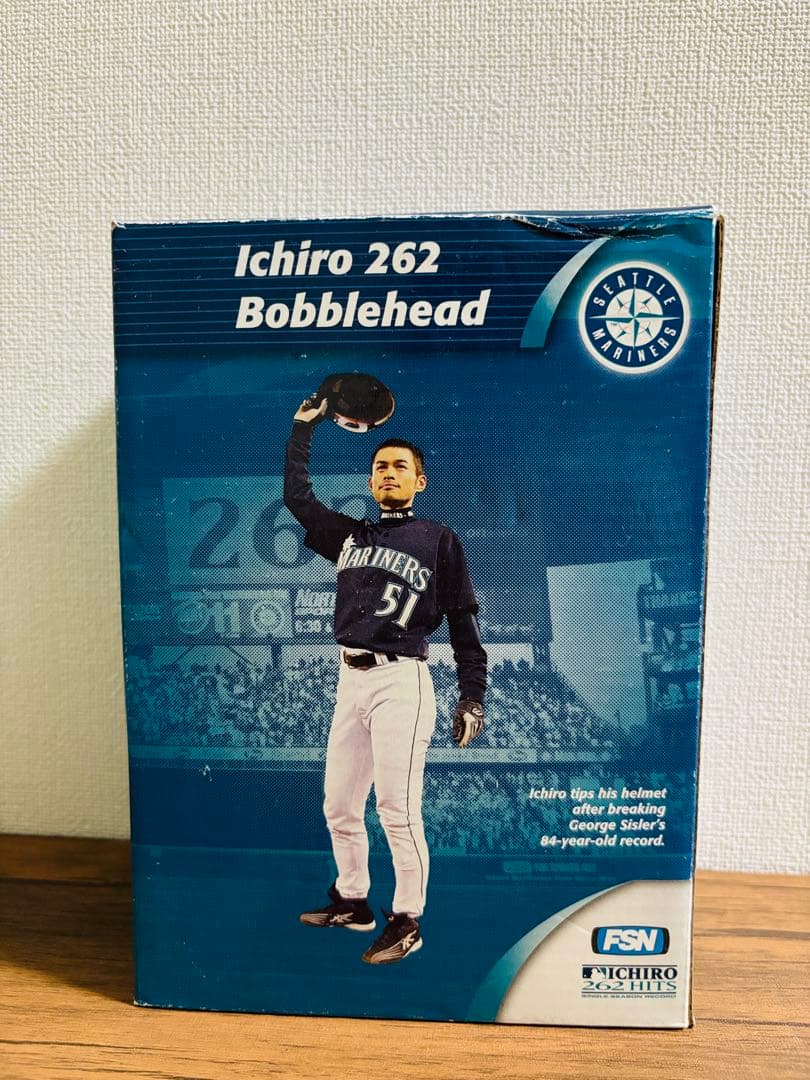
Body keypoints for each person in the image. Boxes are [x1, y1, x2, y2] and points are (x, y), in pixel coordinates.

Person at [284, 391, 487, 964]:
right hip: (350, 680)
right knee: (339, 805)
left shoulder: (439, 539)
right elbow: (297, 498)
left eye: (400, 466)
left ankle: (407, 919)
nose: (388, 473)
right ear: (371, 482)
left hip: (402, 682)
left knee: (396, 809)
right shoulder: (352, 536)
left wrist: (472, 696)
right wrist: (303, 429)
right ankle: (353, 901)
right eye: (380, 466)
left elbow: (463, 620)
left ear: (419, 481)